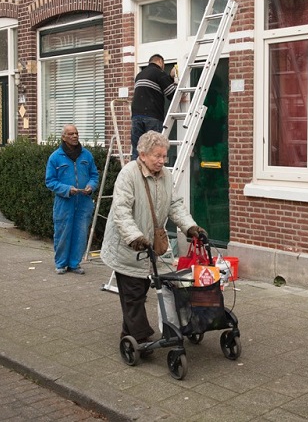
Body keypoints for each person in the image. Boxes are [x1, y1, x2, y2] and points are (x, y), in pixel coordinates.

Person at [101, 130, 205, 343]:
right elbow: (121, 210)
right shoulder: (129, 174)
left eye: (164, 156)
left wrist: (191, 227)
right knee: (133, 293)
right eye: (157, 156)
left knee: (139, 289)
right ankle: (141, 338)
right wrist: (134, 237)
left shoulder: (165, 175)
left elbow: (174, 205)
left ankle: (128, 335)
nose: (162, 160)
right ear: (143, 154)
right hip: (127, 246)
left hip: (148, 247)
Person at [45, 124, 99, 275]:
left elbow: (94, 175)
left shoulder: (87, 155)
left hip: (84, 202)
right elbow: (50, 181)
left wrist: (91, 186)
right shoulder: (55, 157)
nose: (75, 136)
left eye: (76, 133)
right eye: (70, 134)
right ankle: (61, 263)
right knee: (63, 232)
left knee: (80, 233)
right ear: (63, 137)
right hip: (64, 202)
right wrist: (67, 190)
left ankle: (75, 264)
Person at [130, 54, 176, 160]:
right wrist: (173, 80)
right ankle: (152, 176)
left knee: (138, 151)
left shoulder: (140, 75)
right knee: (154, 150)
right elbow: (171, 94)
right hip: (152, 116)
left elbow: (153, 88)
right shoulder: (158, 72)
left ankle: (136, 175)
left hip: (136, 116)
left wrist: (169, 77)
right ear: (160, 62)